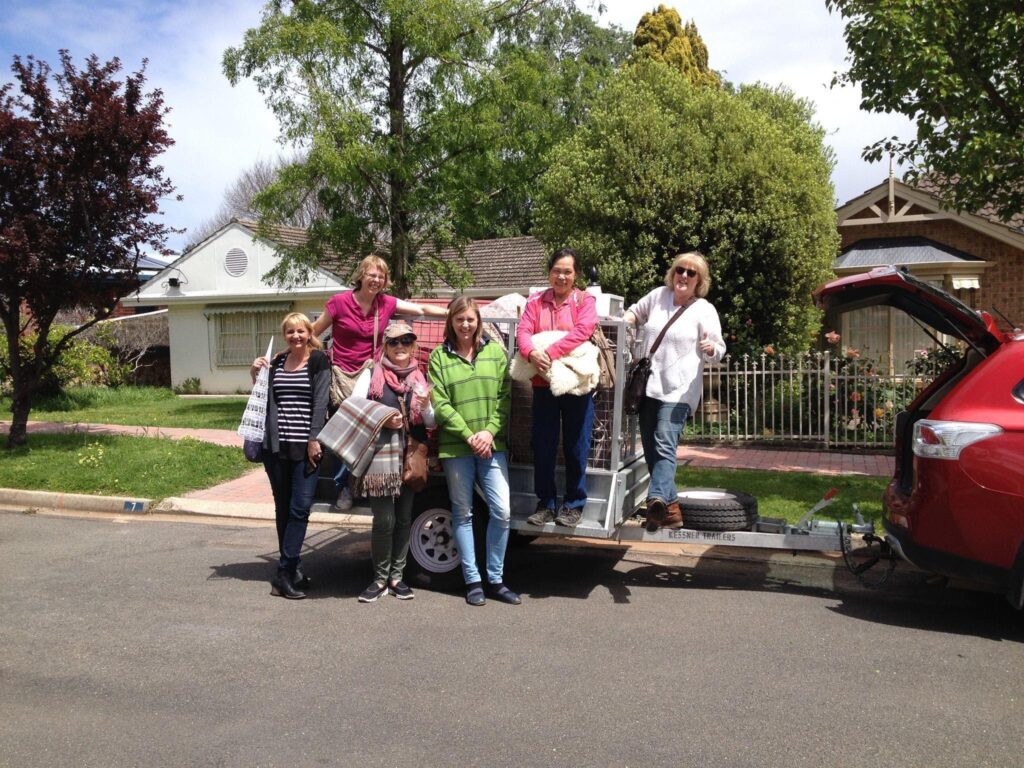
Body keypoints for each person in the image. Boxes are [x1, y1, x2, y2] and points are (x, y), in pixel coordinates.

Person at [311, 255, 447, 510]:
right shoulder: (339, 303)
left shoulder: (385, 303)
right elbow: (313, 332)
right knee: (347, 433)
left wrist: (453, 312)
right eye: (372, 274)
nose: (376, 280)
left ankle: (361, 482)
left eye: (381, 276)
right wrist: (302, 357)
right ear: (361, 275)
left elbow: (421, 309)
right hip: (343, 378)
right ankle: (344, 488)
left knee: (371, 433)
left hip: (374, 375)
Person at [622, 252, 726, 531]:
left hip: (680, 392)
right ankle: (670, 512)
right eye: (680, 269)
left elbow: (719, 349)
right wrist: (627, 320)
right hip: (648, 388)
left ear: (699, 281)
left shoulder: (704, 310)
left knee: (665, 443)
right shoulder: (658, 296)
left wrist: (711, 349)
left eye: (691, 273)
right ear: (673, 272)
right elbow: (635, 311)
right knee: (652, 450)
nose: (684, 276)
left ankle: (655, 499)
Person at [428, 297, 520, 607]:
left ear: (478, 320)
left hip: (492, 446)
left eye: (470, 319)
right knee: (462, 513)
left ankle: (495, 578)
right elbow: (440, 405)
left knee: (502, 512)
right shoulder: (439, 357)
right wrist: (469, 436)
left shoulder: (495, 352)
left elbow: (504, 397)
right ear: (450, 322)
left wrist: (489, 432)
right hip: (457, 448)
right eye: (459, 319)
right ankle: (473, 580)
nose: (465, 324)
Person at [349, 321, 434, 603]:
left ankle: (397, 577)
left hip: (410, 456)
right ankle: (378, 578)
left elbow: (431, 421)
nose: (400, 347)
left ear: (413, 346)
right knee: (384, 519)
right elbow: (353, 407)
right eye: (394, 342)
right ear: (385, 345)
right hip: (379, 457)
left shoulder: (420, 378)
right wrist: (383, 417)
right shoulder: (371, 374)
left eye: (406, 341)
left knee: (404, 519)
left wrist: (427, 408)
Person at [251, 312, 331, 599]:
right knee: (283, 508)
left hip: (305, 447)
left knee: (300, 508)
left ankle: (283, 573)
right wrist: (255, 373)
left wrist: (313, 439)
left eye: (301, 331)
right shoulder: (276, 363)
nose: (296, 336)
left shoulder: (319, 361)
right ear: (284, 335)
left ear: (310, 333)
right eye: (290, 332)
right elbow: (263, 398)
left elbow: (321, 402)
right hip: (277, 447)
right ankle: (293, 568)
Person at [517, 247, 598, 528]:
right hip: (543, 385)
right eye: (557, 270)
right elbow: (523, 332)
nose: (561, 276)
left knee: (577, 446)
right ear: (549, 272)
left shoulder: (584, 301)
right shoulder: (536, 301)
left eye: (567, 271)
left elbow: (582, 332)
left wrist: (548, 351)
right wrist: (530, 352)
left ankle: (574, 504)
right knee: (543, 445)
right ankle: (546, 504)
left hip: (577, 387)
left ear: (575, 275)